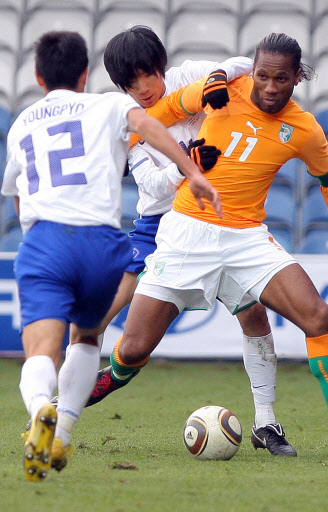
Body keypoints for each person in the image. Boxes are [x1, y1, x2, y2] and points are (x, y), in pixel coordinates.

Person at [1, 31, 220, 483]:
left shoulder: (22, 123)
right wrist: (192, 170)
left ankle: (42, 407)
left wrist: (33, 236)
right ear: (85, 74)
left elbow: (16, 194)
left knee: (41, 351)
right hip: (101, 243)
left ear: (39, 76)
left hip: (45, 243)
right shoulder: (109, 105)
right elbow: (148, 127)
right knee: (87, 338)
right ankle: (60, 434)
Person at [94, 32, 328, 455]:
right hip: (170, 224)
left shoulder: (202, 78)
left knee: (282, 317)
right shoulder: (137, 119)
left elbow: (243, 67)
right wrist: (186, 165)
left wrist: (221, 73)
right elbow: (150, 167)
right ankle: (81, 375)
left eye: (147, 76)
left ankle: (266, 423)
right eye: (132, 84)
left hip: (239, 230)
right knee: (130, 344)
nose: (143, 89)